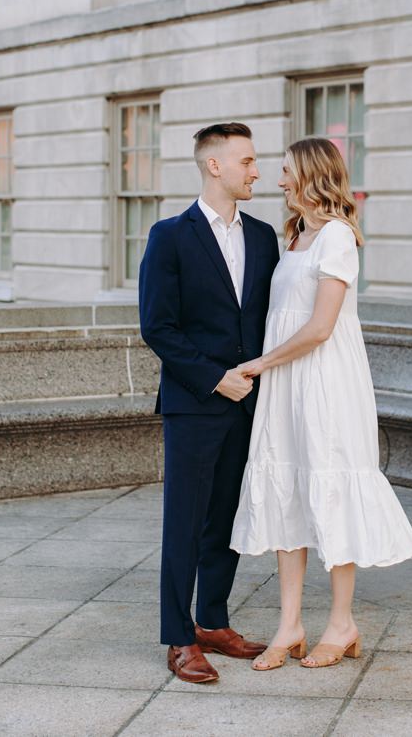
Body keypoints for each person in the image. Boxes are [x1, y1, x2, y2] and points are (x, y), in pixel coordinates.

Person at [228, 137, 412, 670]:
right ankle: (289, 625)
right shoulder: (294, 237)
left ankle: (342, 622)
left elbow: (319, 328)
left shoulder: (337, 237)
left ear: (311, 175)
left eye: (286, 170)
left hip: (325, 381)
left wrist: (260, 365)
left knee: (331, 485)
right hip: (287, 385)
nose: (278, 179)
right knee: (288, 488)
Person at [138, 122, 280, 684]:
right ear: (214, 165)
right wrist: (215, 378)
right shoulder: (169, 236)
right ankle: (179, 637)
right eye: (246, 161)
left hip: (251, 404)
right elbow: (158, 327)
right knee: (185, 522)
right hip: (195, 403)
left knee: (226, 516)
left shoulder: (266, 235)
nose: (256, 171)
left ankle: (213, 623)